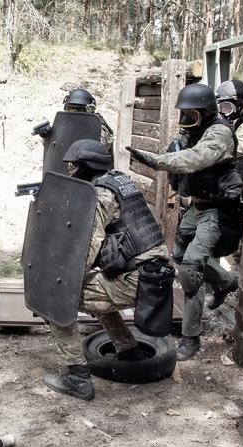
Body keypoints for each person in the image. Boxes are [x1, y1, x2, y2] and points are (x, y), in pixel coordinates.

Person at [44, 139, 169, 401]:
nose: (70, 170)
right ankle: (128, 349)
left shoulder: (100, 196)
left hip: (135, 278)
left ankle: (77, 377)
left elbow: (88, 247)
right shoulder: (119, 181)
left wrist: (59, 282)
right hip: (153, 273)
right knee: (100, 289)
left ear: (87, 166)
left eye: (74, 165)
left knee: (54, 299)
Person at [126, 83, 243, 360]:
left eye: (190, 115)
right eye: (184, 115)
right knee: (178, 254)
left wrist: (158, 161)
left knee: (191, 269)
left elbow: (195, 159)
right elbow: (181, 150)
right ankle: (226, 280)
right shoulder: (193, 131)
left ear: (204, 112)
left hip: (217, 209)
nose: (185, 121)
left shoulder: (220, 133)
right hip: (197, 205)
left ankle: (191, 339)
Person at [32, 88, 115, 150]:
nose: (72, 112)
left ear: (89, 110)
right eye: (69, 108)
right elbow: (56, 150)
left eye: (78, 109)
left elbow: (99, 151)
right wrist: (49, 138)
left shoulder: (98, 127)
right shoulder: (65, 125)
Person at [216, 80, 243, 187]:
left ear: (241, 105)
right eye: (221, 107)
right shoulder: (233, 117)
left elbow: (240, 147)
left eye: (227, 106)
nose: (223, 111)